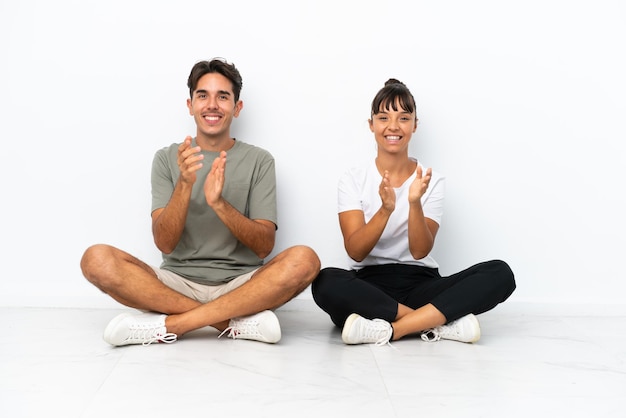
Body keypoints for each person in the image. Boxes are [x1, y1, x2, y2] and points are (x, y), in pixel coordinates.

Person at [81, 58, 320, 346]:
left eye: (223, 96)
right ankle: (230, 323)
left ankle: (173, 324)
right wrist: (184, 184)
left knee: (305, 260)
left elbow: (264, 246)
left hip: (241, 285)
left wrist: (219, 204)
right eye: (202, 95)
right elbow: (165, 243)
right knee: (95, 259)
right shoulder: (168, 158)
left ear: (237, 107)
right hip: (176, 283)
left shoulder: (260, 160)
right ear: (190, 105)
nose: (212, 105)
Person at [311, 79, 516, 346]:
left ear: (415, 125)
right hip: (370, 286)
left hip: (421, 283)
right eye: (383, 117)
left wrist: (415, 203)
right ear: (371, 125)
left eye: (404, 118)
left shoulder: (432, 180)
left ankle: (391, 329)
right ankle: (435, 323)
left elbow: (420, 251)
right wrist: (385, 210)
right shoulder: (353, 179)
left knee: (500, 273)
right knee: (325, 281)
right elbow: (356, 251)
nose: (393, 126)